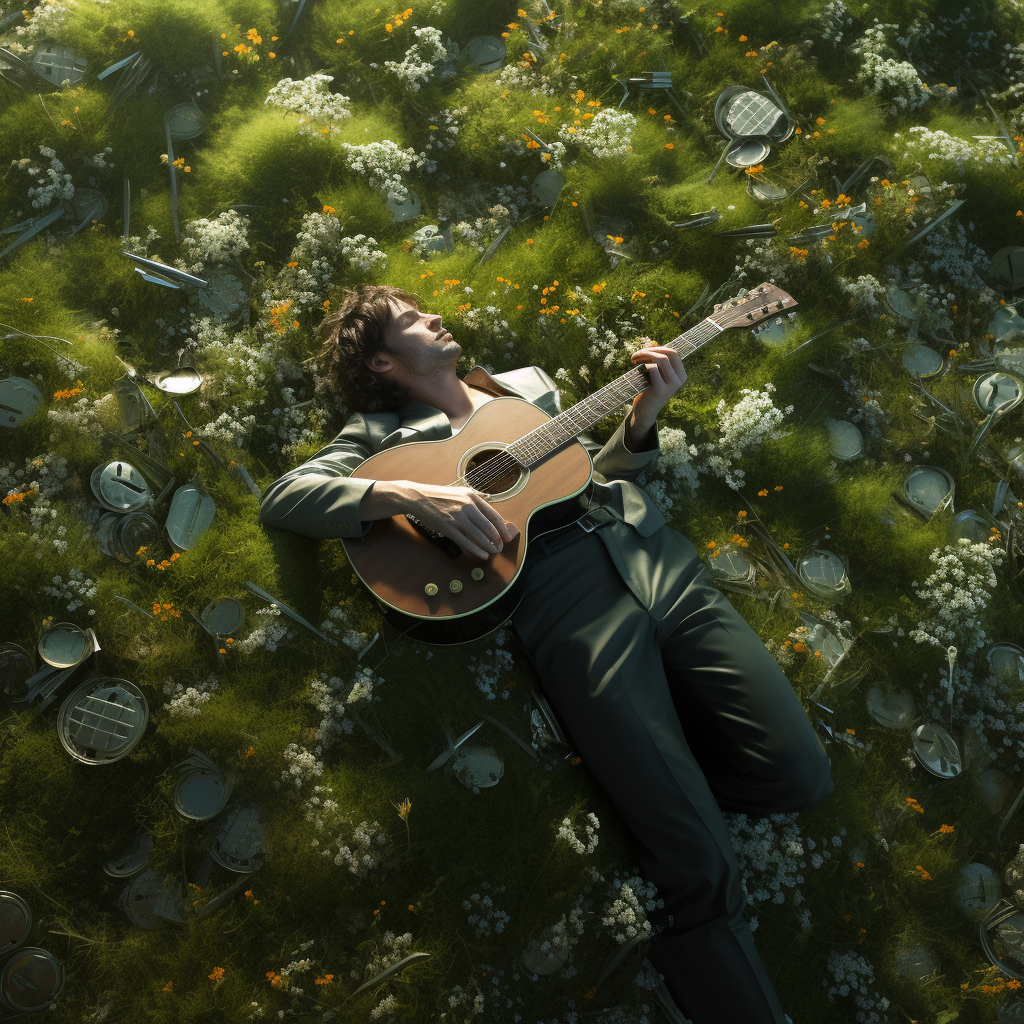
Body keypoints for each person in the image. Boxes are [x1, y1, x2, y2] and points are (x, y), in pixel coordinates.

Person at [259, 283, 833, 1023]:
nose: (434, 315)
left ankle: (660, 781)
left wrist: (642, 418)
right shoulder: (377, 434)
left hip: (654, 562)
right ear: (380, 362)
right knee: (701, 865)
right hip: (561, 607)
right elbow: (288, 495)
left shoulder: (523, 390)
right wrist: (413, 497)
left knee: (802, 776)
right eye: (410, 319)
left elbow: (583, 478)